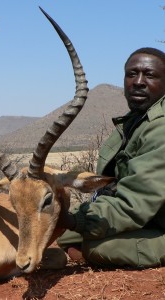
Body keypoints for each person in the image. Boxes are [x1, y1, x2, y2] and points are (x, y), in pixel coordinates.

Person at [57, 47, 165, 269]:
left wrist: (71, 219)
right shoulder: (134, 121)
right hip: (147, 218)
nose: (138, 81)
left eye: (150, 75)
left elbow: (133, 205)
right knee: (63, 234)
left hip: (154, 220)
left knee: (98, 248)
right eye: (132, 74)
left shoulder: (161, 128)